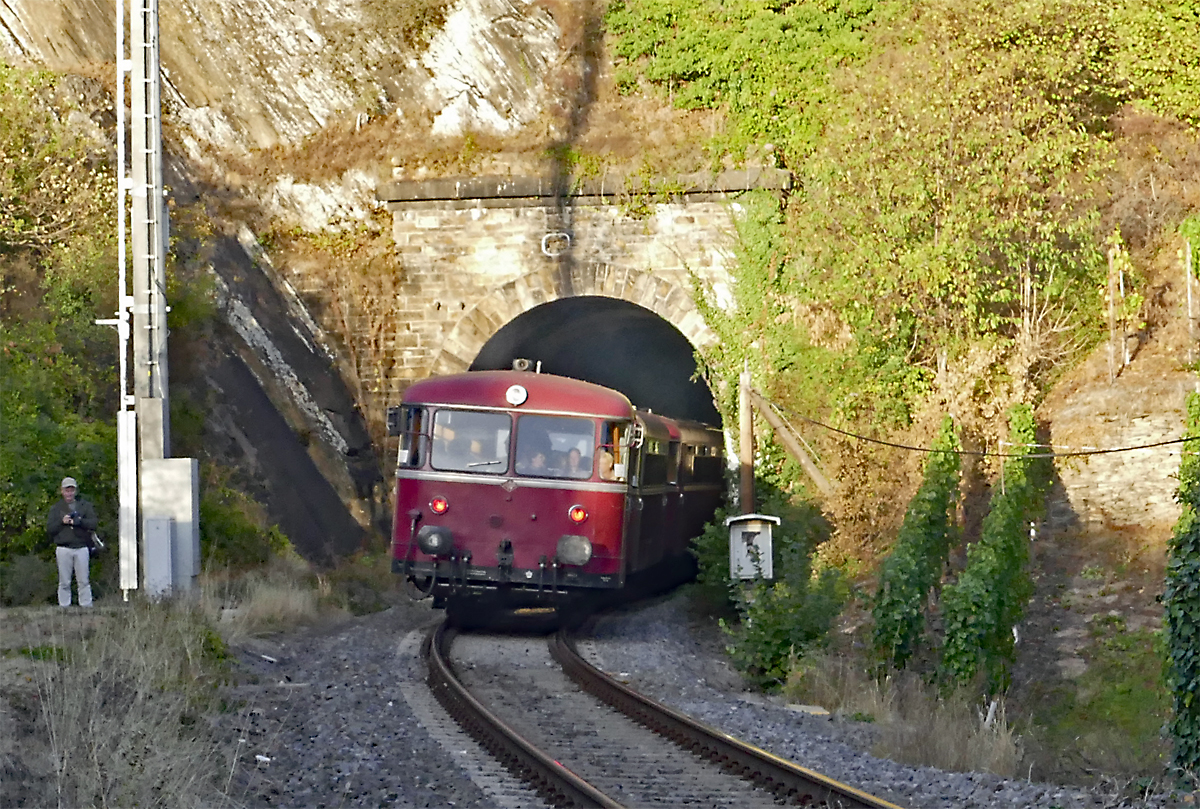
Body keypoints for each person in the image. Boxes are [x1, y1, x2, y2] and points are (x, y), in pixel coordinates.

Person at [46, 477, 98, 607]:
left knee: (84, 580)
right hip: (63, 548)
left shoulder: (85, 506)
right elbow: (50, 529)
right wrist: (62, 522)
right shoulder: (56, 508)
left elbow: (93, 524)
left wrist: (80, 521)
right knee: (64, 581)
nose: (69, 493)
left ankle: (86, 605)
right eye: (66, 490)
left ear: (75, 491)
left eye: (71, 490)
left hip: (81, 546)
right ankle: (64, 606)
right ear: (62, 491)